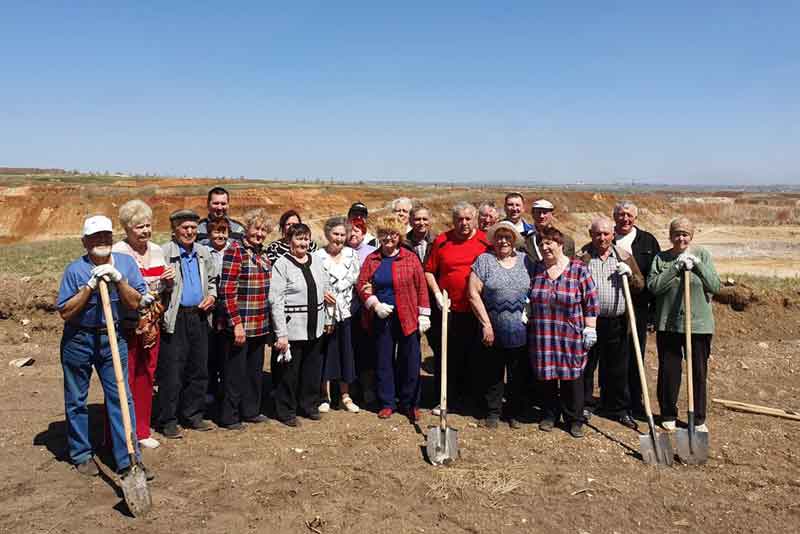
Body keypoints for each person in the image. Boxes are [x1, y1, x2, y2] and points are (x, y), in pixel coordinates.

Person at [57, 215, 150, 477]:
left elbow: (137, 302)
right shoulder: (75, 270)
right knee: (76, 399)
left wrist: (119, 280)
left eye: (106, 236)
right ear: (85, 242)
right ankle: (81, 454)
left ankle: (129, 459)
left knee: (121, 397)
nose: (102, 240)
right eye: (95, 237)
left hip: (113, 338)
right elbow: (65, 312)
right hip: (79, 339)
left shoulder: (125, 264)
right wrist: (88, 287)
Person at [111, 200, 174, 449]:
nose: (145, 231)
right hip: (127, 324)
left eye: (148, 225)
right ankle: (119, 432)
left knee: (146, 374)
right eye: (139, 227)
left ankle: (142, 429)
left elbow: (162, 288)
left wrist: (169, 281)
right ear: (127, 228)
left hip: (151, 324)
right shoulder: (118, 252)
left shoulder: (158, 250)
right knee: (122, 377)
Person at [648, 217, 720, 432]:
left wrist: (696, 266)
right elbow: (654, 286)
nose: (681, 238)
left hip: (698, 325)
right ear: (670, 236)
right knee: (669, 371)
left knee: (698, 371)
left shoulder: (703, 255)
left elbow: (714, 285)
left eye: (685, 234)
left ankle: (698, 418)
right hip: (668, 324)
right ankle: (668, 413)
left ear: (692, 236)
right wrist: (675, 268)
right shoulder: (661, 258)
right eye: (677, 234)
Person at [357, 215, 431, 421]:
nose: (388, 238)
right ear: (379, 236)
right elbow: (362, 286)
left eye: (392, 234)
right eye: (383, 234)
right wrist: (375, 304)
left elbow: (421, 287)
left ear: (398, 236)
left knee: (410, 360)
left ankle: (410, 403)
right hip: (383, 318)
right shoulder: (372, 260)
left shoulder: (410, 258)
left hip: (408, 317)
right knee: (383, 361)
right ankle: (387, 402)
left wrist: (424, 314)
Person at [529, 226, 598, 438]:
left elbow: (591, 300)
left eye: (550, 243)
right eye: (542, 244)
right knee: (547, 376)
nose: (545, 247)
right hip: (543, 332)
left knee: (572, 377)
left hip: (570, 332)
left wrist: (590, 328)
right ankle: (549, 414)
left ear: (561, 245)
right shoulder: (537, 269)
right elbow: (529, 294)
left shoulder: (578, 269)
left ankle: (574, 418)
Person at [578, 216, 644, 430]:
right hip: (589, 321)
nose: (602, 238)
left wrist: (631, 275)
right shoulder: (582, 257)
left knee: (618, 367)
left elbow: (640, 285)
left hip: (617, 321)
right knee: (587, 366)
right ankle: (585, 405)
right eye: (597, 234)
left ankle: (618, 408)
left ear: (612, 234)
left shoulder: (624, 256)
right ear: (591, 234)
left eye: (606, 234)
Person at [424, 202, 490, 413]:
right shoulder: (442, 241)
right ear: (453, 221)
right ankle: (446, 398)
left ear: (475, 219)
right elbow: (429, 271)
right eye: (459, 219)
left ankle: (474, 400)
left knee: (476, 357)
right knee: (448, 356)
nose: (463, 223)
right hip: (448, 311)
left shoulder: (485, 241)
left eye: (468, 219)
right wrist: (436, 294)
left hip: (476, 309)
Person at [158, 209, 218, 439]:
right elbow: (155, 285)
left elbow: (213, 281)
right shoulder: (164, 253)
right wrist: (164, 283)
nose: (190, 232)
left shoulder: (203, 252)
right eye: (185, 227)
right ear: (174, 229)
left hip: (200, 317)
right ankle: (168, 419)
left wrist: (211, 296)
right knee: (173, 371)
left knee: (199, 369)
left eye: (193, 227)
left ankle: (193, 414)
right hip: (176, 317)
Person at [468, 221, 533, 429]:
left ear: (514, 240)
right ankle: (493, 412)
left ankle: (514, 412)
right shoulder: (484, 260)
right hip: (493, 327)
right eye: (499, 237)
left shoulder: (526, 261)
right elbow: (473, 294)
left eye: (507, 237)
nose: (503, 241)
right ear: (493, 240)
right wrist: (486, 324)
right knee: (492, 372)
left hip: (521, 328)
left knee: (518, 373)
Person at [269, 223, 331, 426]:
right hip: (292, 328)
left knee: (312, 370)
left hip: (315, 327)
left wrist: (328, 319)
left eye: (306, 238)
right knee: (289, 373)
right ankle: (286, 410)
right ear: (289, 241)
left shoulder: (316, 261)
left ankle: (309, 405)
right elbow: (276, 300)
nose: (303, 242)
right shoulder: (282, 264)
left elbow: (325, 289)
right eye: (298, 238)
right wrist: (281, 333)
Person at [218, 209, 273, 430]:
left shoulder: (262, 254)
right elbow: (227, 290)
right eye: (256, 228)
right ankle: (229, 416)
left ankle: (250, 411)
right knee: (235, 373)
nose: (259, 233)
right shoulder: (236, 251)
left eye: (263, 230)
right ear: (247, 228)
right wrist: (236, 324)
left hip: (259, 324)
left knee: (254, 371)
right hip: (241, 324)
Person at [612, 200, 661, 419]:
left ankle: (635, 401)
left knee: (636, 354)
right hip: (613, 305)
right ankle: (614, 401)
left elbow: (655, 275)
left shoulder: (648, 241)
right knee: (614, 355)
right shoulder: (606, 238)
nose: (624, 218)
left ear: (635, 218)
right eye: (621, 214)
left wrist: (653, 311)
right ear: (614, 217)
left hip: (639, 308)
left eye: (629, 215)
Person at [314, 217, 361, 413]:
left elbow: (359, 279)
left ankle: (345, 395)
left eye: (343, 234)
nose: (339, 238)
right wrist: (322, 293)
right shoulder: (317, 256)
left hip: (347, 312)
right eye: (336, 234)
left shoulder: (352, 254)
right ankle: (325, 395)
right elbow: (313, 281)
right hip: (325, 314)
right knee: (325, 352)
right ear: (327, 234)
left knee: (345, 352)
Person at [200, 217, 232, 403]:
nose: (220, 235)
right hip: (210, 305)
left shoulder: (234, 250)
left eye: (223, 232)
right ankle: (210, 388)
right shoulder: (205, 252)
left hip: (228, 305)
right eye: (216, 232)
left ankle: (225, 389)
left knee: (226, 350)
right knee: (210, 349)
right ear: (210, 233)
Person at [524, 199, 576, 263]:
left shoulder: (566, 241)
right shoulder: (524, 241)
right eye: (538, 212)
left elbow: (570, 266)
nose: (541, 216)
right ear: (532, 214)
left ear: (552, 214)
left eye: (545, 212)